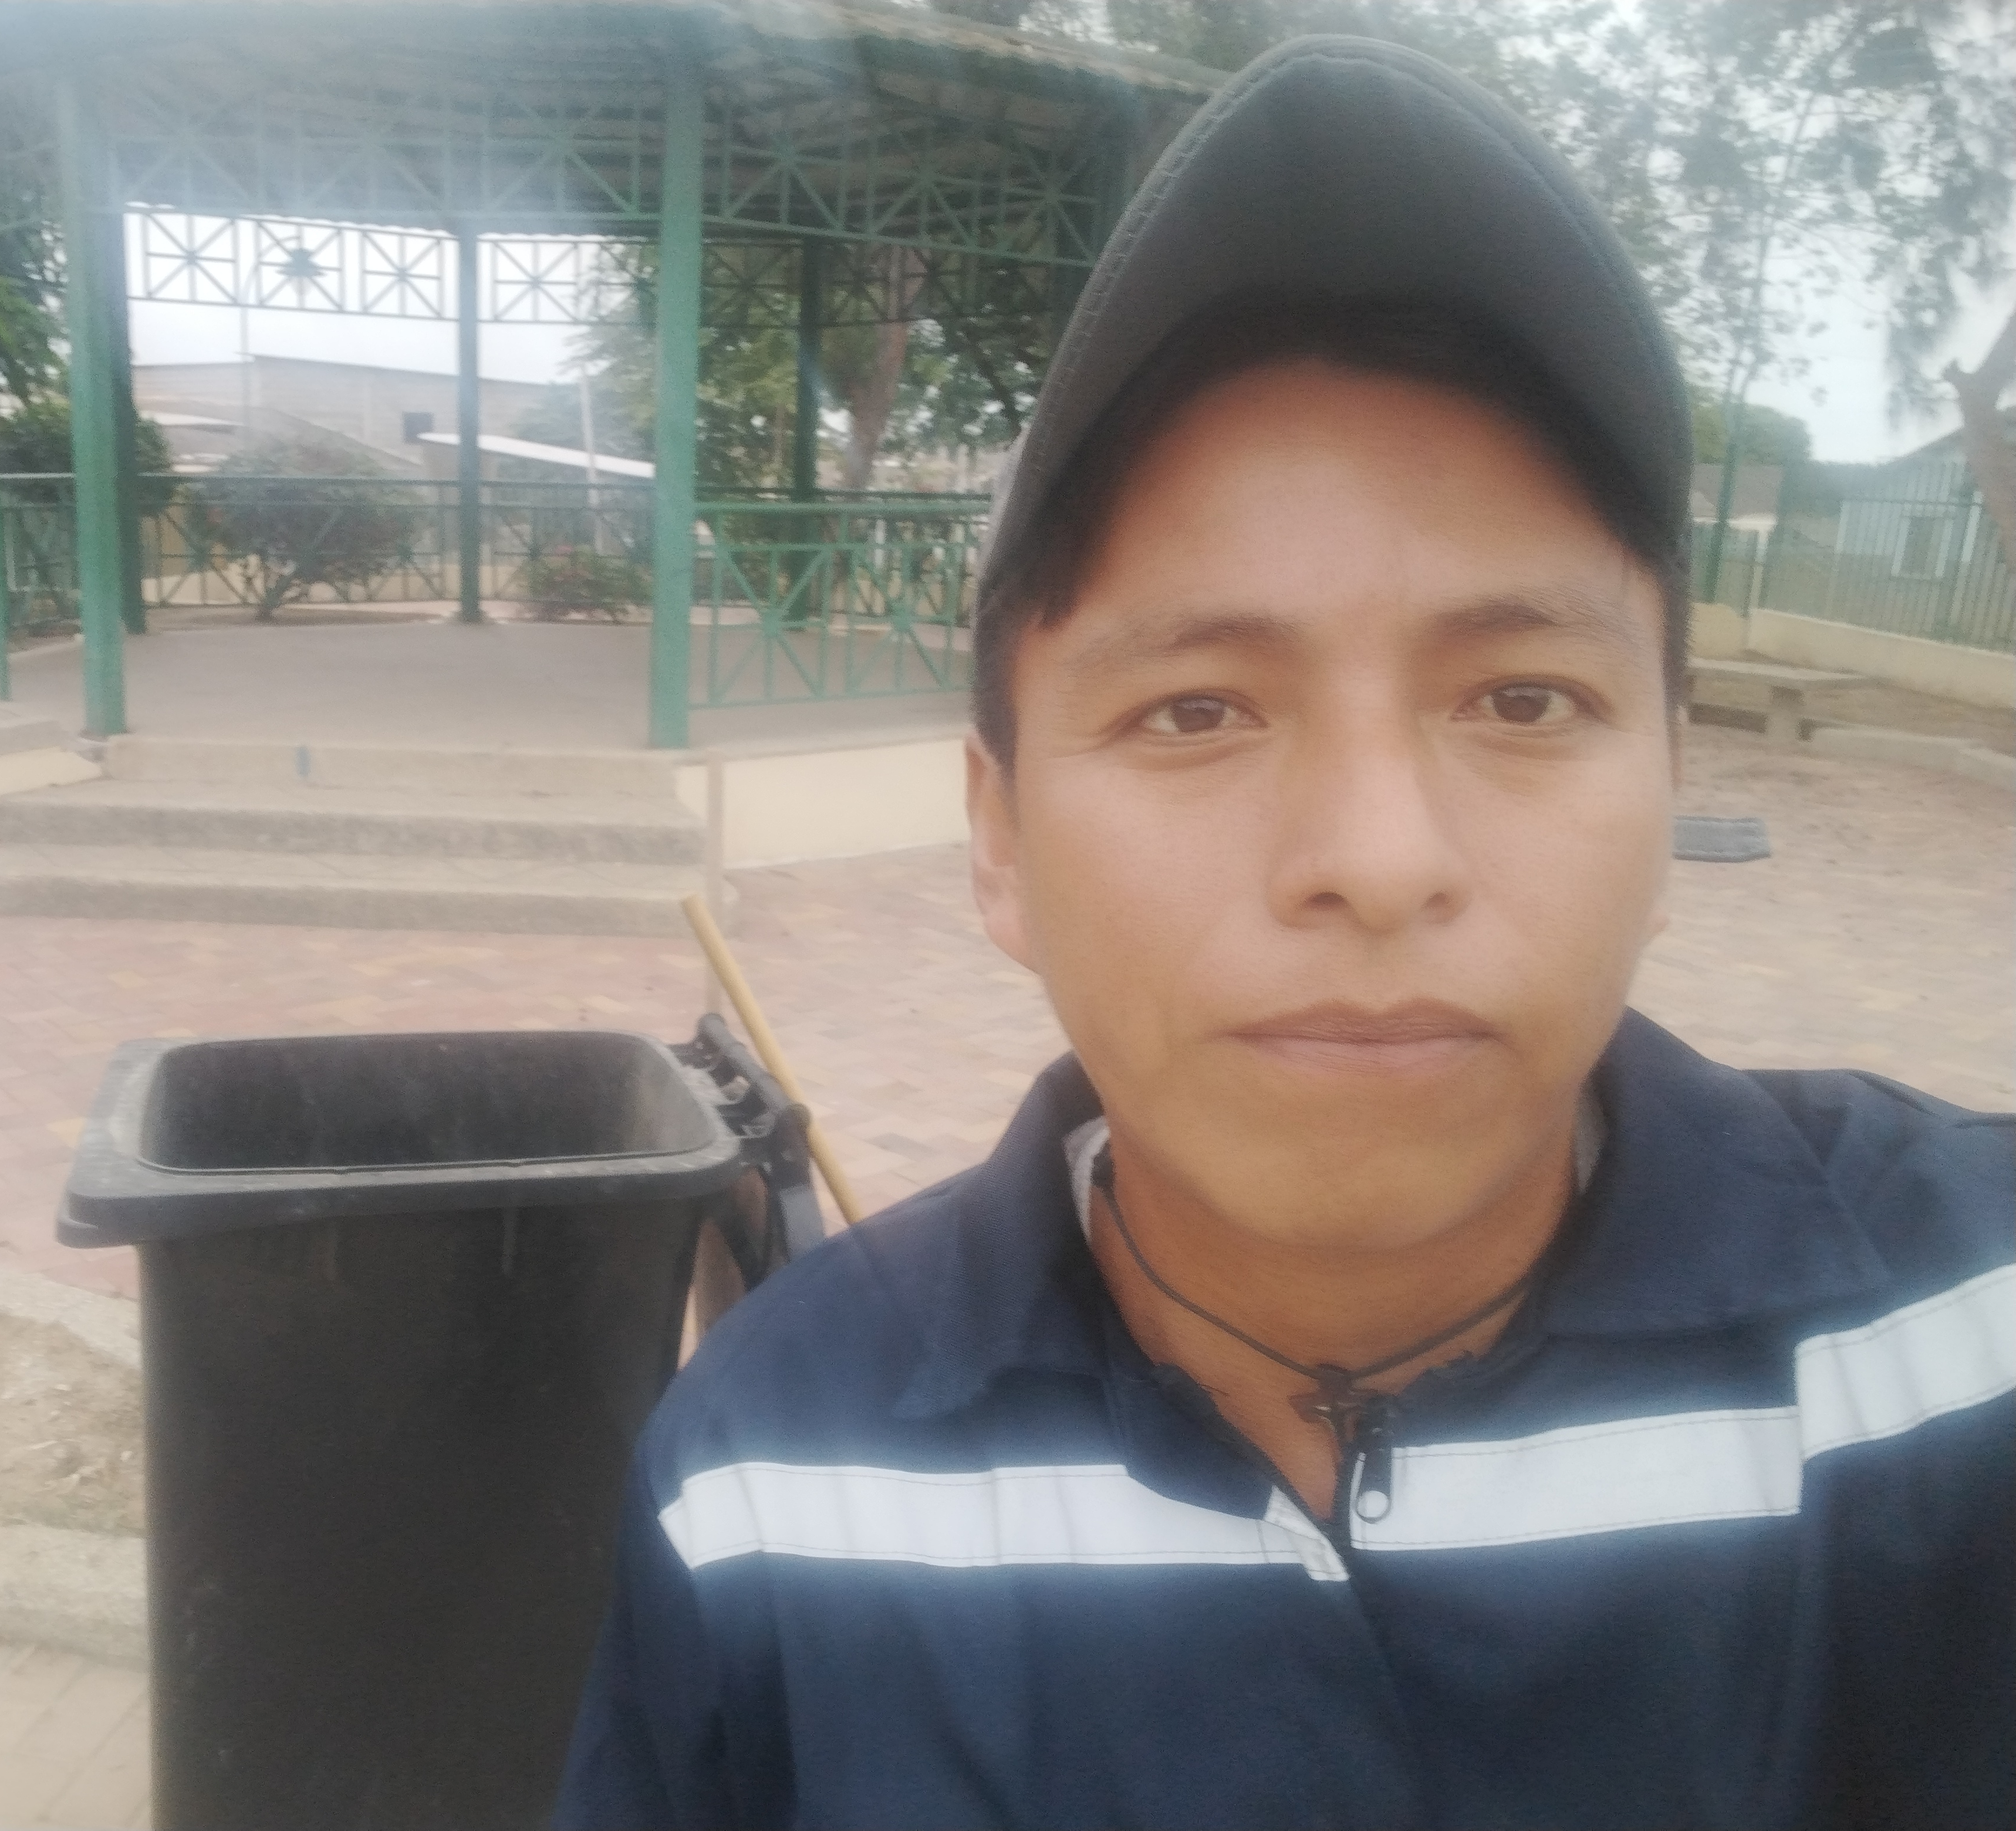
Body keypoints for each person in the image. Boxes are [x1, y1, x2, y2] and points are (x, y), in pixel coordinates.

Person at [553, 36, 2014, 1831]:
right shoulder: (771, 1484)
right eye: (1197, 711)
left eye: (1525, 700)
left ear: (1667, 802)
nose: (1379, 862)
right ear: (1000, 840)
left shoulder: (1965, 1356)